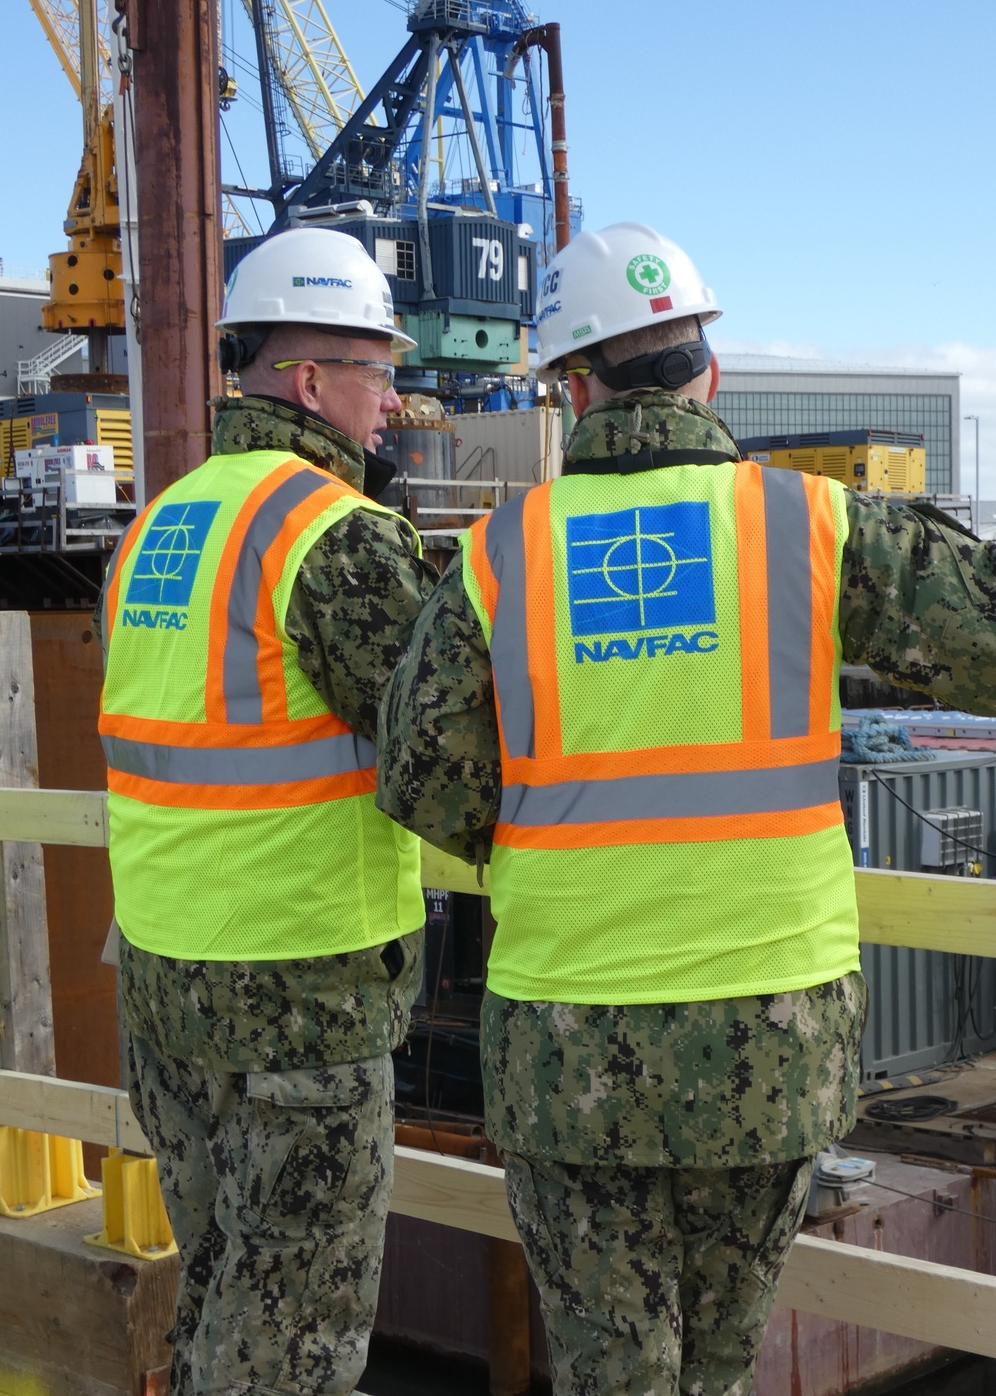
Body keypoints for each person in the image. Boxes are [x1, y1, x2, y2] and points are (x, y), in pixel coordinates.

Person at [376, 222, 996, 1396]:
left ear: (572, 385)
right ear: (706, 368)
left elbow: (420, 772)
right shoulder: (812, 524)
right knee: (716, 1363)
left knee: (614, 1370)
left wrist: (545, 829)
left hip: (567, 1036)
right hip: (768, 1034)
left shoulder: (500, 555)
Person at [96, 226, 437, 1396]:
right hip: (301, 989)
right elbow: (443, 752)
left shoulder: (157, 524)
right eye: (379, 369)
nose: (391, 401)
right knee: (292, 1339)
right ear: (309, 378)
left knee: (222, 1290)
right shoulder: (334, 533)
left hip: (163, 975)